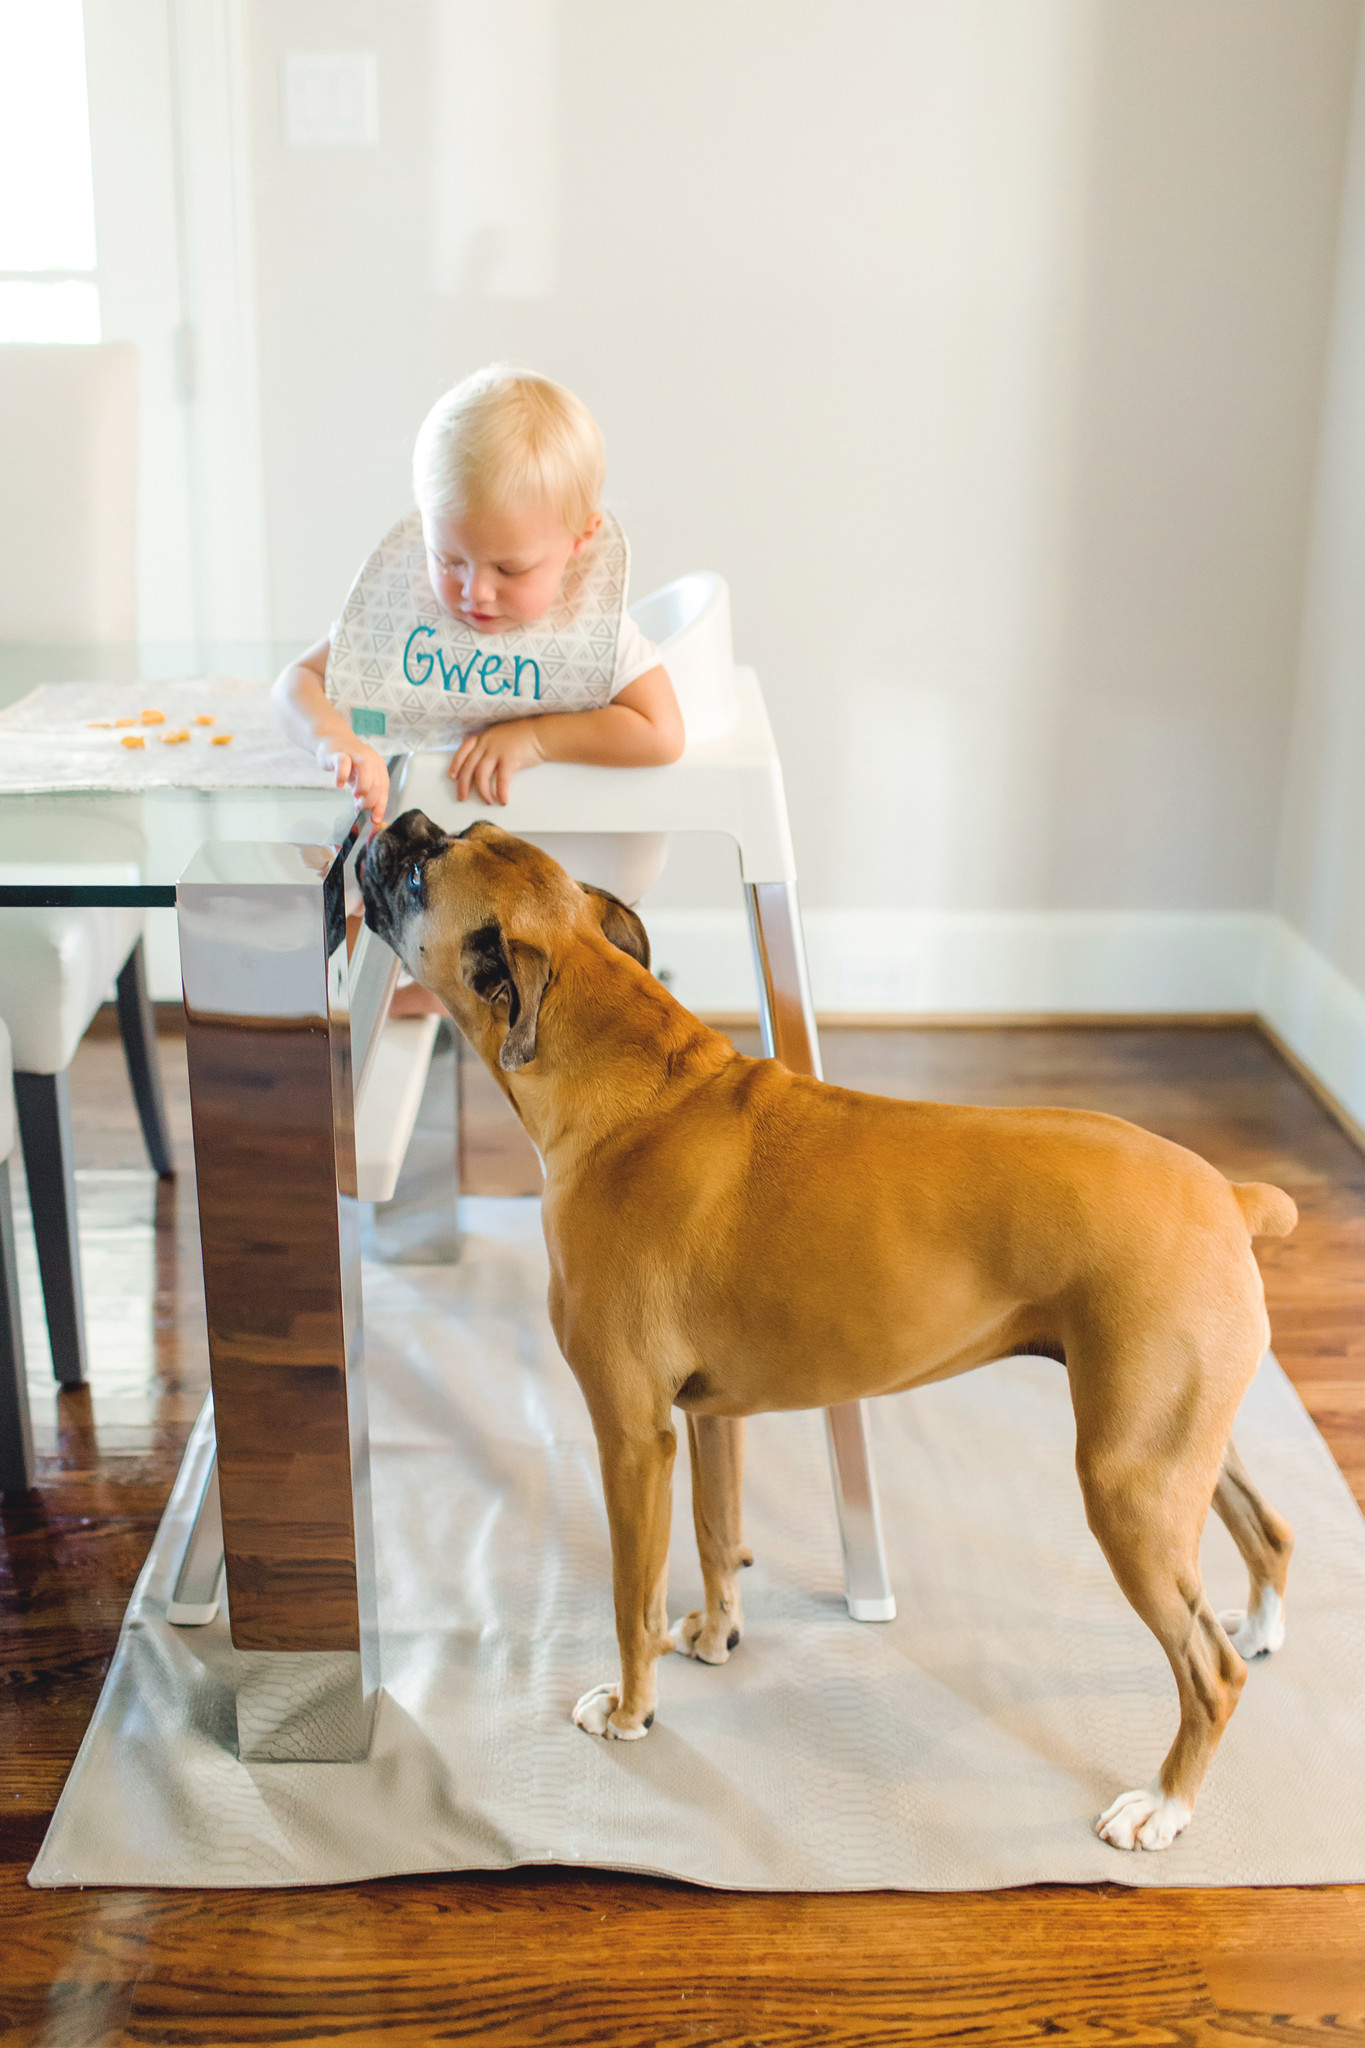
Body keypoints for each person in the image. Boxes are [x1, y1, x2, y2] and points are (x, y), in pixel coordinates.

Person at [272, 364, 684, 830]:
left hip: (571, 869)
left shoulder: (586, 626)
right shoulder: (407, 606)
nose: (475, 592)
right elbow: (296, 682)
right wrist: (335, 740)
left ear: (579, 540)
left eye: (510, 569)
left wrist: (536, 739)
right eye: (447, 559)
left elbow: (662, 733)